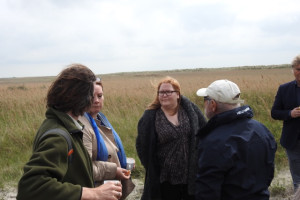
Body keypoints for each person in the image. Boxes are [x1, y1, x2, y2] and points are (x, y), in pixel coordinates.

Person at [17, 64, 122, 200]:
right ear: (82, 97)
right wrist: (94, 193)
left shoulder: (62, 125)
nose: (94, 100)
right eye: (91, 94)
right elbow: (31, 187)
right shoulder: (58, 136)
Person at [196, 79, 277, 200]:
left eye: (205, 100)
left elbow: (207, 190)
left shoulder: (214, 141)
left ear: (212, 105)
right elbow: (268, 172)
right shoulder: (261, 129)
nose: (204, 104)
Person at [136, 76, 207, 200]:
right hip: (164, 179)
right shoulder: (151, 117)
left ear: (178, 94)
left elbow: (204, 132)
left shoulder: (190, 111)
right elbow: (142, 146)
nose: (164, 95)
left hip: (189, 177)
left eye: (168, 92)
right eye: (161, 92)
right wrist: (152, 168)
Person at [79, 78, 135, 199]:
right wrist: (115, 170)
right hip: (95, 192)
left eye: (100, 96)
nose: (96, 100)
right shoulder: (82, 126)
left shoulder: (100, 119)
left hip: (110, 189)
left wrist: (122, 162)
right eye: (91, 96)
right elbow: (85, 168)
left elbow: (109, 150)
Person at [271, 54, 300, 191]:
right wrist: (290, 113)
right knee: (297, 178)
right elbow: (274, 112)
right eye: (298, 69)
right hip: (293, 141)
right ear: (293, 70)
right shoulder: (284, 89)